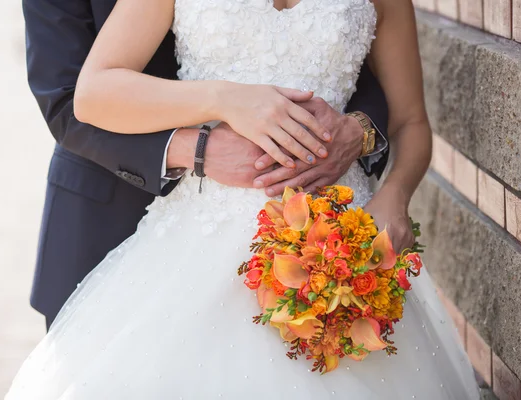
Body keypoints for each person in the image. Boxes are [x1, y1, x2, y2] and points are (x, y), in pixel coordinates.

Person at [8, 0, 480, 398]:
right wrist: (222, 101)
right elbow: (83, 94)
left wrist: (394, 197)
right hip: (191, 233)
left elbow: (409, 120)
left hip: (340, 237)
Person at [23, 0, 390, 330]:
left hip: (329, 217)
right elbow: (68, 100)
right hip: (125, 214)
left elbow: (354, 60)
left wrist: (360, 129)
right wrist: (199, 142)